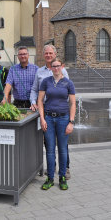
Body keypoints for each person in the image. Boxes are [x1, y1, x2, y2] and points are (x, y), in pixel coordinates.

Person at [30, 44, 71, 179]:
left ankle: (65, 169)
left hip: (60, 113)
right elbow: (34, 90)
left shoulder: (62, 71)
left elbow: (68, 91)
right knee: (49, 143)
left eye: (50, 53)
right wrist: (33, 102)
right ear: (43, 55)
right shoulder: (39, 72)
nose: (48, 55)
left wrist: (70, 118)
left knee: (63, 144)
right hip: (46, 112)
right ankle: (51, 168)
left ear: (55, 54)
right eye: (46, 53)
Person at [37, 58, 76, 191]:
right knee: (50, 150)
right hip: (48, 118)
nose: (55, 68)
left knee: (63, 149)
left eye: (58, 66)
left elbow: (73, 103)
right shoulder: (45, 82)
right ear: (51, 67)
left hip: (63, 119)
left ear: (62, 66)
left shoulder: (68, 83)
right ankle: (50, 179)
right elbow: (40, 100)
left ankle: (62, 177)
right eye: (53, 66)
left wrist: (71, 122)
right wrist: (42, 119)